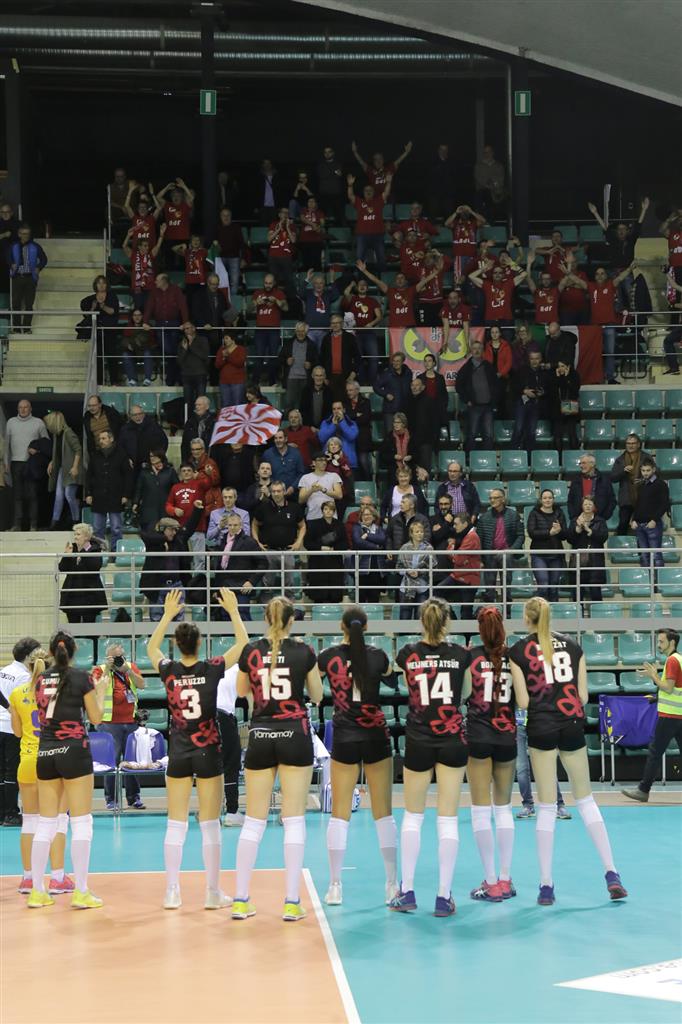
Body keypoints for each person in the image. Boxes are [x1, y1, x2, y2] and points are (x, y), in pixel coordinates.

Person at [509, 598, 628, 905]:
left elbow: (523, 702)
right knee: (585, 799)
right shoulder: (574, 647)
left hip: (542, 726)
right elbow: (583, 695)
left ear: (527, 618)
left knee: (547, 806)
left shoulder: (518, 651)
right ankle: (612, 873)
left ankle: (546, 885)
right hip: (572, 722)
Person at [147, 587, 248, 910]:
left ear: (177, 645)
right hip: (208, 752)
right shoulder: (211, 668)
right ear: (200, 643)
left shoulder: (169, 670)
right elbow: (243, 645)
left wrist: (166, 615)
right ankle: (212, 892)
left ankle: (171, 891)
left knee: (176, 823)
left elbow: (150, 647)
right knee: (210, 824)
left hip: (178, 751)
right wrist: (233, 611)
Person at [233, 596, 324, 921]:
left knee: (254, 820)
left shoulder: (251, 651)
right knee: (294, 818)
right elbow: (317, 695)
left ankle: (241, 899)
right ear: (291, 621)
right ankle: (291, 901)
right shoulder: (304, 651)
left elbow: (241, 690)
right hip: (295, 734)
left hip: (261, 734)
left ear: (266, 618)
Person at [391, 598, 471, 916]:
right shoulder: (461, 654)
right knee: (447, 818)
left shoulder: (408, 653)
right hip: (452, 738)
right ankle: (443, 896)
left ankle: (407, 891)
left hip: (419, 738)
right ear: (447, 622)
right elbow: (465, 693)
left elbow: (404, 683)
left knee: (413, 816)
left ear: (422, 622)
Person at [318, 607, 398, 906]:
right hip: (375, 734)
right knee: (383, 812)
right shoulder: (378, 656)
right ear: (365, 627)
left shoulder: (328, 656)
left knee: (340, 813)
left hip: (345, 735)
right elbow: (393, 681)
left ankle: (335, 885)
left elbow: (312, 683)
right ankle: (392, 884)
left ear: (341, 626)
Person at [28, 631, 108, 909]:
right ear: (73, 653)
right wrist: (101, 691)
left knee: (46, 823)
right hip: (74, 750)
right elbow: (96, 717)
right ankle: (81, 891)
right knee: (82, 822)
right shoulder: (80, 677)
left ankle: (37, 891)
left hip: (45, 752)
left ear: (51, 652)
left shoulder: (40, 679)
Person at [9, 644, 73, 894]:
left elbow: (17, 732)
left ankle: (28, 879)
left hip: (27, 762)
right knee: (58, 820)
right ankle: (57, 878)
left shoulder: (17, 693)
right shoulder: (59, 691)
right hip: (54, 759)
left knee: (30, 822)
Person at [465, 608, 517, 901]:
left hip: (478, 735)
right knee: (504, 809)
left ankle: (491, 881)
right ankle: (506, 880)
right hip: (506, 736)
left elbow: (463, 694)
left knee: (480, 810)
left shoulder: (471, 657)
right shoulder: (514, 657)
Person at [622, 629, 682, 803]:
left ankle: (643, 790)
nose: (658, 645)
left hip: (669, 716)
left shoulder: (672, 660)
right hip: (679, 715)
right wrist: (657, 697)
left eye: (662, 641)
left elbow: (668, 688)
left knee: (655, 752)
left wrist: (654, 676)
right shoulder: (679, 658)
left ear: (672, 642)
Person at [91, 644, 145, 811]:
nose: (118, 660)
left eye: (120, 656)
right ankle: (111, 800)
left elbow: (142, 684)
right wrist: (108, 669)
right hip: (109, 724)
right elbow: (96, 688)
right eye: (114, 658)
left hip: (131, 722)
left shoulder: (130, 667)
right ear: (107, 658)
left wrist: (129, 671)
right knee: (111, 763)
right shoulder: (100, 669)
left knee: (131, 762)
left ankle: (134, 798)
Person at [1, 637, 41, 828]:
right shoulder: (25, 677)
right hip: (11, 728)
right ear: (29, 656)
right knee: (11, 773)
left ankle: (2, 813)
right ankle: (11, 813)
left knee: (1, 772)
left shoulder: (4, 670)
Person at [140, 504, 202, 620]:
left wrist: (197, 510)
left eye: (175, 530)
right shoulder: (153, 542)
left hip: (176, 585)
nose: (174, 532)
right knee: (156, 618)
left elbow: (190, 526)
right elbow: (144, 535)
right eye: (170, 529)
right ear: (161, 529)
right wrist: (163, 539)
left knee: (178, 619)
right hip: (157, 585)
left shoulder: (178, 539)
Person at [252, 479, 306, 597]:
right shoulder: (263, 507)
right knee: (267, 584)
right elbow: (255, 524)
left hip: (288, 550)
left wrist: (298, 542)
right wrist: (257, 542)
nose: (276, 494)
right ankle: (266, 605)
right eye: (274, 491)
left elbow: (302, 526)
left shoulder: (294, 507)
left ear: (284, 492)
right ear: (271, 492)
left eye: (279, 491)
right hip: (268, 551)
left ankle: (289, 604)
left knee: (289, 584)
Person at [84, 429, 133, 552]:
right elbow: (89, 476)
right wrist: (88, 493)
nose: (101, 441)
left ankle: (116, 552)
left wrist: (126, 495)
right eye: (100, 439)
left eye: (104, 438)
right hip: (98, 496)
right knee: (97, 529)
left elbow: (128, 476)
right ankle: (99, 552)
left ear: (111, 439)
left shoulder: (121, 455)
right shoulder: (95, 455)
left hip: (116, 496)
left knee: (116, 528)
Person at [588, 264, 636, 384]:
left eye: (602, 273)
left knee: (610, 352)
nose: (600, 276)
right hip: (595, 327)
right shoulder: (591, 286)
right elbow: (577, 281)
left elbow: (620, 278)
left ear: (606, 276)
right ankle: (596, 378)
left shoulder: (610, 284)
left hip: (609, 325)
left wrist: (629, 269)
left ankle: (610, 378)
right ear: (594, 276)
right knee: (595, 353)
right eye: (597, 274)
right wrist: (568, 272)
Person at [4, 399, 48, 531]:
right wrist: (6, 462)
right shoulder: (11, 422)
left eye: (26, 407)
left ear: (30, 408)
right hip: (15, 463)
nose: (23, 410)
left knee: (32, 495)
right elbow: (6, 445)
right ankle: (17, 525)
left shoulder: (38, 422)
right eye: (20, 407)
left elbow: (46, 443)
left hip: (32, 463)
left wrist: (38, 450)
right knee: (17, 495)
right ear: (17, 409)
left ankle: (33, 525)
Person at [476, 490, 524, 609]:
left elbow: (520, 535)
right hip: (489, 554)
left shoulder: (513, 515)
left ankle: (507, 610)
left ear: (503, 499)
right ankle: (490, 612)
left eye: (495, 498)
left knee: (506, 585)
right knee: (489, 586)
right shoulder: (484, 517)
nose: (492, 500)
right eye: (491, 498)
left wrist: (512, 550)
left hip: (506, 554)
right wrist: (480, 558)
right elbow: (479, 539)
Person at [211, 513, 264, 621]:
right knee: (225, 617)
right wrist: (216, 588)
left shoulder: (249, 542)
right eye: (230, 525)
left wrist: (251, 582)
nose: (232, 527)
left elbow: (263, 563)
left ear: (241, 525)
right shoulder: (222, 542)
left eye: (235, 525)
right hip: (225, 587)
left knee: (242, 616)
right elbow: (219, 567)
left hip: (242, 588)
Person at [143, 272, 189, 387]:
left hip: (174, 323)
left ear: (164, 281)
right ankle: (175, 377)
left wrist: (185, 322)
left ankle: (172, 379)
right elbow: (149, 307)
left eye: (157, 280)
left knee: (172, 351)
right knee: (169, 351)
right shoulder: (154, 292)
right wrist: (145, 322)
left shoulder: (176, 290)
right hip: (160, 323)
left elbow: (182, 306)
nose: (155, 282)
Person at [434, 512, 481, 621]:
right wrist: (455, 555)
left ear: (465, 524)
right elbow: (458, 558)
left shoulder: (472, 537)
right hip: (458, 575)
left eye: (456, 524)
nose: (454, 527)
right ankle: (453, 620)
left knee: (466, 612)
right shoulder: (465, 535)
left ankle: (463, 629)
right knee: (437, 592)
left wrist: (451, 547)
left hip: (469, 578)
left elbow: (458, 559)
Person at [58, 524, 107, 624]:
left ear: (86, 537)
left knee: (89, 628)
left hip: (89, 596)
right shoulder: (72, 548)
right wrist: (66, 556)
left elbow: (95, 566)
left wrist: (83, 552)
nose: (75, 537)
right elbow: (62, 568)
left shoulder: (95, 549)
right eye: (75, 534)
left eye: (78, 534)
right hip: (72, 595)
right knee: (73, 627)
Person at [630, 457, 670, 579]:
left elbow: (664, 504)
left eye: (648, 470)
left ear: (653, 469)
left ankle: (658, 583)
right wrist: (634, 519)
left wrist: (654, 519)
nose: (645, 473)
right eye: (643, 470)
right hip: (639, 525)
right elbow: (638, 505)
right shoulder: (641, 485)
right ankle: (648, 583)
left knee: (656, 555)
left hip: (653, 524)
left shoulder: (661, 484)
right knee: (644, 555)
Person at [455, 340, 498, 452]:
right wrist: (467, 400)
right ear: (471, 351)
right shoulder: (466, 368)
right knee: (472, 434)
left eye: (479, 348)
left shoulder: (488, 366)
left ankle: (488, 458)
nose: (477, 351)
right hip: (474, 406)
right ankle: (469, 458)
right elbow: (458, 386)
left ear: (482, 351)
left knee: (488, 434)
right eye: (474, 349)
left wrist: (494, 401)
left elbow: (496, 384)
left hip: (488, 406)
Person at [567, 496, 608, 609]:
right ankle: (578, 616)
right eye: (585, 504)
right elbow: (569, 539)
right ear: (582, 506)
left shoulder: (600, 521)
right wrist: (577, 530)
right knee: (577, 592)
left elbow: (604, 537)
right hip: (578, 561)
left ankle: (597, 615)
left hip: (595, 561)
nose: (588, 506)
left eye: (590, 504)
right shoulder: (574, 521)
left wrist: (590, 531)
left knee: (595, 590)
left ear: (594, 506)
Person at [527, 490, 568, 604]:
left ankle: (553, 611)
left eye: (550, 498)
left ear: (553, 499)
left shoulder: (559, 513)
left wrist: (559, 531)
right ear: (541, 500)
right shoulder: (534, 513)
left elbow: (565, 535)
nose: (547, 500)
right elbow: (532, 532)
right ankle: (541, 610)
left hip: (556, 555)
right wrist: (549, 533)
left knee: (554, 587)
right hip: (539, 555)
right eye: (545, 498)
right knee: (544, 585)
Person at [341, 276, 383, 385]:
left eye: (364, 285)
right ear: (357, 287)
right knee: (358, 359)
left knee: (374, 358)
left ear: (367, 288)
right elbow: (346, 293)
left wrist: (371, 324)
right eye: (360, 285)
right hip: (355, 333)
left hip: (369, 333)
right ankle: (362, 382)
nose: (362, 286)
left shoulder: (372, 301)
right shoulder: (353, 298)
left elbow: (379, 316)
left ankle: (372, 382)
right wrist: (351, 285)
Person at [304, 500, 347, 604]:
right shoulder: (313, 524)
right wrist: (321, 548)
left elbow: (344, 543)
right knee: (319, 591)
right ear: (322, 511)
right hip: (318, 561)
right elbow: (307, 543)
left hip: (335, 561)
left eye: (331, 509)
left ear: (334, 511)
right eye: (326, 509)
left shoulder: (340, 525)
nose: (328, 511)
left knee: (335, 592)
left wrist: (334, 549)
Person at [347, 174, 392, 270]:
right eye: (366, 190)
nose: (368, 192)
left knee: (381, 258)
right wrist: (350, 185)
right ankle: (361, 277)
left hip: (378, 235)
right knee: (360, 259)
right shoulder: (359, 202)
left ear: (373, 192)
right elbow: (350, 196)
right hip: (362, 235)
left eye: (370, 190)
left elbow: (386, 193)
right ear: (363, 192)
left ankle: (381, 276)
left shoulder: (378, 201)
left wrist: (388, 182)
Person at [9, 224, 48, 333]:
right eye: (23, 233)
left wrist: (38, 267)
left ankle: (26, 328)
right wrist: (11, 263)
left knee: (29, 304)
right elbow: (8, 257)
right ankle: (16, 328)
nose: (25, 236)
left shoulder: (35, 246)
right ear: (19, 234)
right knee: (15, 303)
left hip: (30, 278)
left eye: (27, 234)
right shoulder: (14, 246)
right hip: (17, 277)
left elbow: (44, 259)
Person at [250, 272, 287, 386]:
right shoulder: (257, 293)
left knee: (273, 356)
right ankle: (255, 383)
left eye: (270, 283)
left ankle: (272, 382)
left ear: (274, 283)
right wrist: (256, 303)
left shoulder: (279, 293)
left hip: (273, 330)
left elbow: (286, 308)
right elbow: (249, 309)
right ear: (263, 283)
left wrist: (276, 301)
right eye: (266, 283)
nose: (268, 285)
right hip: (260, 330)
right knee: (259, 356)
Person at [510, 348, 547, 456]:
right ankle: (512, 455)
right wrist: (524, 391)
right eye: (532, 359)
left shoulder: (544, 372)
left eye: (537, 359)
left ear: (540, 359)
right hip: (522, 403)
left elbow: (548, 388)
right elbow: (513, 386)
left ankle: (529, 458)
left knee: (531, 432)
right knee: (518, 429)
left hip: (536, 404)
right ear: (529, 359)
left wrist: (543, 392)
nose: (534, 361)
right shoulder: (521, 371)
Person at [610, 433, 649, 535]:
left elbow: (654, 474)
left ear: (638, 444)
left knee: (642, 525)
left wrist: (642, 480)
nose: (630, 445)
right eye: (628, 443)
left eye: (633, 443)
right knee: (623, 523)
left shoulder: (646, 457)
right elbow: (613, 478)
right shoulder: (620, 459)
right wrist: (623, 471)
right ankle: (620, 544)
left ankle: (642, 545)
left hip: (642, 497)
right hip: (626, 498)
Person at [396, 520, 434, 619]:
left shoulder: (429, 548)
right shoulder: (404, 548)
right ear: (411, 534)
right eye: (417, 532)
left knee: (421, 618)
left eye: (421, 531)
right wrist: (407, 571)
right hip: (406, 588)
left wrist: (419, 572)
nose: (420, 534)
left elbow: (433, 567)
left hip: (422, 587)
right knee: (405, 617)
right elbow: (398, 567)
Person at [132, 451, 178, 532]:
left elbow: (176, 489)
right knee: (149, 532)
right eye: (150, 456)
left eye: (154, 456)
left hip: (165, 508)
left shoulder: (170, 471)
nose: (152, 458)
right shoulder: (145, 472)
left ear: (161, 457)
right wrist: (136, 502)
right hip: (148, 509)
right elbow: (139, 489)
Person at [319, 313, 361, 400]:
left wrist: (353, 374)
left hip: (346, 376)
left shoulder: (350, 338)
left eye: (337, 323)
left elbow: (357, 357)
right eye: (333, 323)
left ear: (342, 324)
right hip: (330, 377)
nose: (335, 325)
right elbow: (322, 358)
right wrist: (324, 377)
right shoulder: (326, 338)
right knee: (330, 402)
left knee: (345, 402)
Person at [118, 405, 168, 474]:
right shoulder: (125, 430)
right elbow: (120, 447)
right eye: (135, 415)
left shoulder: (153, 426)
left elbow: (164, 442)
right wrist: (126, 459)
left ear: (144, 414)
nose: (138, 416)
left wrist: (158, 457)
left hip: (152, 464)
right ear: (130, 416)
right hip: (133, 466)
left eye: (140, 414)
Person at [566, 453, 616, 523]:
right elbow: (570, 501)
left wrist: (604, 517)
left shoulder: (604, 480)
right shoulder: (576, 480)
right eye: (580, 463)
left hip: (599, 520)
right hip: (579, 519)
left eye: (584, 463)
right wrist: (574, 517)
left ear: (592, 464)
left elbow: (611, 500)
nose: (581, 466)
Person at [351, 505, 386, 602]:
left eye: (369, 514)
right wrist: (376, 547)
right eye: (364, 515)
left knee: (374, 597)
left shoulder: (379, 529)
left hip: (377, 567)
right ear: (361, 517)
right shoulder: (357, 528)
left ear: (374, 517)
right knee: (361, 597)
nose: (367, 517)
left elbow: (382, 539)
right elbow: (358, 542)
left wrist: (367, 535)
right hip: (361, 567)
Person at [279, 322, 316, 412]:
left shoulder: (312, 345)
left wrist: (311, 364)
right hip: (291, 378)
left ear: (306, 332)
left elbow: (317, 361)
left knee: (304, 404)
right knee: (289, 404)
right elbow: (280, 359)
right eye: (298, 331)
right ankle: (287, 420)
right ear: (295, 331)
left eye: (302, 331)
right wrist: (286, 361)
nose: (300, 333)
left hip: (306, 379)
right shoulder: (288, 343)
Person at [374, 351, 412, 435]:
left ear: (402, 362)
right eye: (394, 361)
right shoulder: (387, 374)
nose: (395, 363)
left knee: (403, 435)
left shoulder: (408, 373)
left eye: (398, 361)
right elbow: (376, 386)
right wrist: (386, 394)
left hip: (404, 410)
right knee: (390, 435)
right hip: (390, 410)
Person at [298, 451, 343, 522]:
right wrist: (311, 490)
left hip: (331, 518)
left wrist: (323, 490)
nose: (324, 462)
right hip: (312, 517)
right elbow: (301, 500)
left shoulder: (334, 476)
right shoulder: (305, 478)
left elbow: (339, 495)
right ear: (314, 462)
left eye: (325, 460)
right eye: (320, 460)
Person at [262, 429, 306, 499]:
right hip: (274, 494)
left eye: (280, 438)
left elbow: (301, 473)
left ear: (286, 439)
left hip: (294, 493)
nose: (278, 440)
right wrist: (274, 488)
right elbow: (265, 473)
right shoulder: (268, 454)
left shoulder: (295, 453)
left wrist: (293, 487)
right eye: (276, 438)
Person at [548, 360, 581, 453]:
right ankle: (559, 457)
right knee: (557, 435)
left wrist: (566, 378)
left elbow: (575, 391)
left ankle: (575, 456)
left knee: (572, 433)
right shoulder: (553, 376)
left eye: (562, 366)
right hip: (557, 408)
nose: (560, 369)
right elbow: (551, 392)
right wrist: (558, 378)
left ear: (568, 367)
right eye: (559, 366)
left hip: (570, 406)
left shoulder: (574, 375)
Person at [318, 399, 359, 472]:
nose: (336, 411)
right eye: (334, 409)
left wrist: (342, 422)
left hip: (348, 463)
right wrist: (333, 424)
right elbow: (322, 438)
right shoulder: (326, 423)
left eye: (339, 408)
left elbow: (351, 436)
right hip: (329, 463)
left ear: (344, 410)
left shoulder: (351, 423)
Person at [177, 323, 210, 411]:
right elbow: (179, 360)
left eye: (188, 328)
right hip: (186, 375)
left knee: (201, 401)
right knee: (187, 402)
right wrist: (185, 350)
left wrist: (191, 345)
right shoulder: (183, 342)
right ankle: (189, 418)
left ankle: (202, 419)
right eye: (185, 329)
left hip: (200, 374)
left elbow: (204, 356)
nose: (186, 331)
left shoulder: (202, 340)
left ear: (194, 328)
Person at [122, 308, 157, 386]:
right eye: (135, 315)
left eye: (139, 315)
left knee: (148, 354)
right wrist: (127, 344)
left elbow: (144, 339)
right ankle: (132, 380)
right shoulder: (128, 326)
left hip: (145, 349)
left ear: (142, 316)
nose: (137, 317)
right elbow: (124, 339)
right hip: (133, 351)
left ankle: (147, 379)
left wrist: (131, 342)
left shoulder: (147, 326)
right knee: (125, 355)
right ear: (132, 317)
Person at [215, 332, 247, 408]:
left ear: (233, 339)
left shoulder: (241, 349)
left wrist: (228, 356)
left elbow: (240, 363)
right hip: (224, 382)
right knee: (225, 405)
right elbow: (217, 365)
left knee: (237, 404)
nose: (225, 340)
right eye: (224, 339)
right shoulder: (221, 350)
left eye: (227, 338)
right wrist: (224, 358)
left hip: (237, 382)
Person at [181, 396, 216, 461]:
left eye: (199, 405)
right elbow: (184, 445)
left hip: (210, 458)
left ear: (207, 407)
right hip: (192, 460)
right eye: (196, 405)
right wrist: (184, 462)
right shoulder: (190, 422)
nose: (197, 407)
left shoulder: (214, 422)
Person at [316, 145, 345, 224]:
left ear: (333, 153)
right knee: (322, 217)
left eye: (329, 152)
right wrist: (333, 172)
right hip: (323, 194)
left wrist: (328, 172)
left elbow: (339, 174)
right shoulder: (320, 164)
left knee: (338, 217)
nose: (327, 154)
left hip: (336, 194)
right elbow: (322, 175)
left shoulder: (338, 163)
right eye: (325, 152)